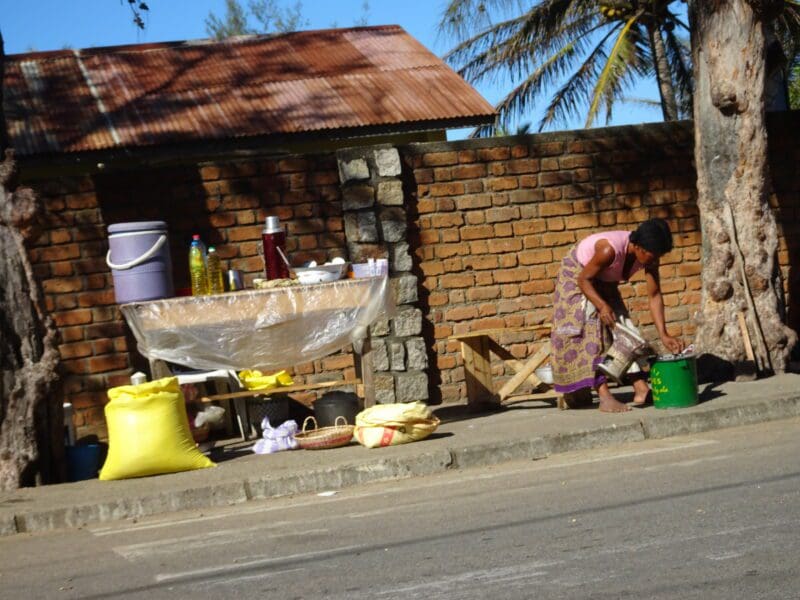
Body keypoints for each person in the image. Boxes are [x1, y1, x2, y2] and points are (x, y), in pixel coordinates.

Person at [550, 218, 685, 412]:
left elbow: (654, 295)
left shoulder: (649, 256)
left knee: (625, 329)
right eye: (652, 256)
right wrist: (601, 306)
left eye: (658, 256)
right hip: (577, 276)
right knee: (592, 329)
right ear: (638, 246)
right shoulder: (609, 250)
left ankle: (641, 388)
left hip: (603, 279)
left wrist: (664, 333)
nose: (654, 261)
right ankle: (604, 397)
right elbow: (584, 279)